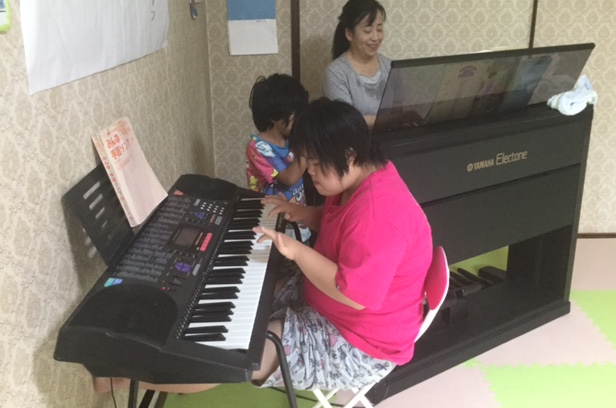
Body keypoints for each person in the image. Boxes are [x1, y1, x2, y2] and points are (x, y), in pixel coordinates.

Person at [94, 98, 433, 395]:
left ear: (350, 154)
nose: (310, 173)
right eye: (308, 162)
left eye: (317, 164)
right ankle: (163, 351)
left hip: (361, 343)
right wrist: (303, 213)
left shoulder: (378, 214)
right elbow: (342, 225)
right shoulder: (361, 177)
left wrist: (297, 250)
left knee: (234, 352)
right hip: (330, 303)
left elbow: (356, 294)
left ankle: (117, 380)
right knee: (246, 286)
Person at [245, 73, 311, 241]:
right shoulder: (258, 147)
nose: (300, 120)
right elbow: (289, 178)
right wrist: (306, 144)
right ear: (274, 116)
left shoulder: (290, 139)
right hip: (273, 221)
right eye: (295, 114)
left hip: (298, 218)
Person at [324, 0, 391, 128]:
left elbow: (400, 108)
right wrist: (393, 119)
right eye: (367, 31)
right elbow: (346, 122)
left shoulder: (389, 66)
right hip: (354, 140)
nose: (375, 37)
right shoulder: (336, 72)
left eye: (379, 29)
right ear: (349, 34)